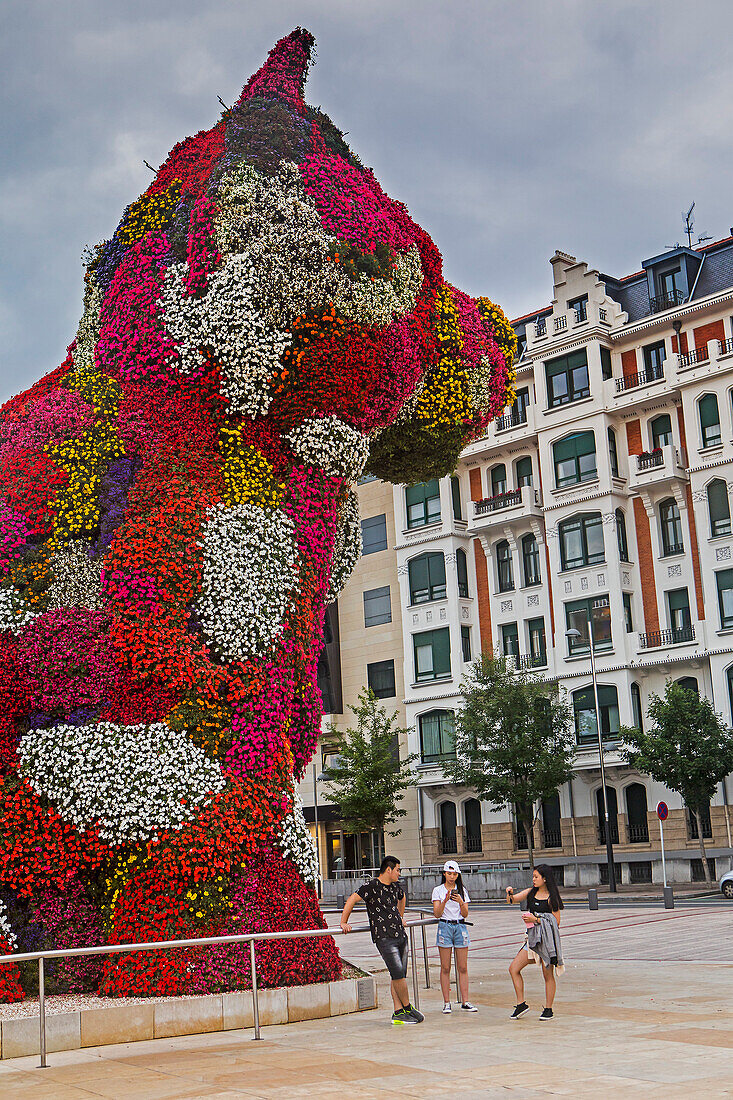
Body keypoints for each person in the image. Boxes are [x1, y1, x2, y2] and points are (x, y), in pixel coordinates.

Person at [341, 856, 424, 1025]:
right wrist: (344, 922)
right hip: (384, 938)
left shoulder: (395, 887)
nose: (399, 873)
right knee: (398, 974)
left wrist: (400, 917)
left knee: (398, 976)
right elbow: (352, 899)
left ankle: (398, 1012)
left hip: (400, 935)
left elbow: (402, 899)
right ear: (388, 869)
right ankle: (407, 1007)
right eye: (398, 870)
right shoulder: (371, 886)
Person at [505, 864, 564, 1021]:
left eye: (536, 877)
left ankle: (548, 1009)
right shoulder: (531, 892)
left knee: (547, 976)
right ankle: (521, 1004)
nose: (534, 879)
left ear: (545, 879)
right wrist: (509, 893)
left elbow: (556, 922)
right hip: (531, 939)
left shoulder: (552, 898)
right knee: (513, 969)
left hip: (546, 941)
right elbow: (513, 900)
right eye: (533, 876)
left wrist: (536, 919)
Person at [431, 860, 477, 1013]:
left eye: (454, 874)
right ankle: (446, 1002)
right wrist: (445, 900)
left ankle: (465, 1001)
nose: (452, 877)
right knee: (445, 966)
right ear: (444, 873)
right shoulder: (438, 890)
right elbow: (437, 913)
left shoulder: (462, 890)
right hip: (444, 926)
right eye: (449, 873)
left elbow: (465, 913)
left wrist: (461, 901)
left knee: (462, 966)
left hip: (460, 926)